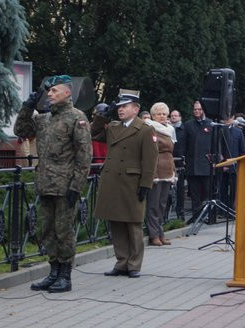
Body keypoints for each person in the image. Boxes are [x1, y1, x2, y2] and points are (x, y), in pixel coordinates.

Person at [14, 75, 92, 292]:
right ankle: (53, 272)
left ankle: (65, 276)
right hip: (46, 184)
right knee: (47, 230)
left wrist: (76, 187)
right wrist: (27, 107)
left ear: (67, 92)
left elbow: (84, 155)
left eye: (54, 91)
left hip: (65, 186)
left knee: (63, 231)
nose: (49, 94)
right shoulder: (44, 119)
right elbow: (21, 131)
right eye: (49, 91)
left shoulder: (77, 117)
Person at [92, 93, 158, 278]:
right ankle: (121, 262)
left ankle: (134, 264)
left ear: (136, 109)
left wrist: (146, 184)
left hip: (132, 182)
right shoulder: (113, 127)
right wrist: (103, 115)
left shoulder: (145, 129)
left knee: (132, 224)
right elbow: (94, 133)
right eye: (119, 107)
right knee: (116, 223)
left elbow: (150, 159)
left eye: (125, 106)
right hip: (113, 181)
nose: (120, 109)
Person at [144, 102, 177, 246]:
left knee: (163, 203)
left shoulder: (170, 129)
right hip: (156, 168)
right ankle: (153, 235)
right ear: (153, 116)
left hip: (168, 167)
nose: (162, 116)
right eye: (159, 114)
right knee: (153, 204)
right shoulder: (150, 128)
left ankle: (161, 232)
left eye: (164, 113)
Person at [182, 100, 213, 219]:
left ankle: (207, 215)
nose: (197, 112)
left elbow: (216, 144)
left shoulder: (211, 124)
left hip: (207, 164)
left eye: (199, 109)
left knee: (207, 191)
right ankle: (196, 216)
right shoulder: (188, 124)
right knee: (194, 193)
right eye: (195, 109)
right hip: (192, 164)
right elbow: (184, 144)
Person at [169, 109, 187, 220]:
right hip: (169, 161)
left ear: (180, 117)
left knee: (180, 188)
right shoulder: (167, 128)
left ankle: (180, 212)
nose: (174, 117)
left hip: (180, 162)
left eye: (176, 115)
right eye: (172, 115)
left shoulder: (184, 129)